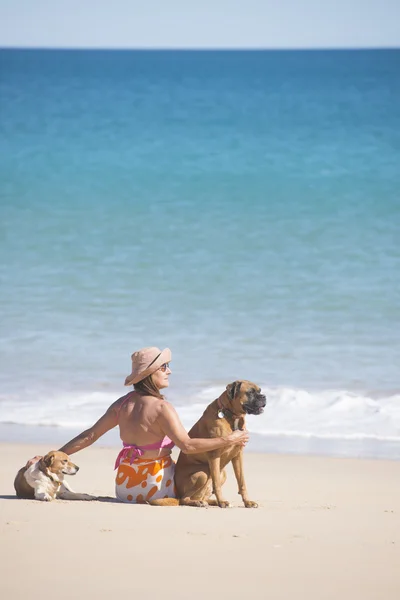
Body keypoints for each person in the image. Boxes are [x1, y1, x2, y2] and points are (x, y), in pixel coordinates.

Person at [36, 347, 249, 503]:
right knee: (209, 475)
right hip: (156, 487)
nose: (169, 371)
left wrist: (53, 455)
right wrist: (229, 439)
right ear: (148, 374)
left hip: (125, 487)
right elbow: (188, 446)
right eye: (163, 367)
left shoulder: (121, 405)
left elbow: (90, 436)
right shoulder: (162, 408)